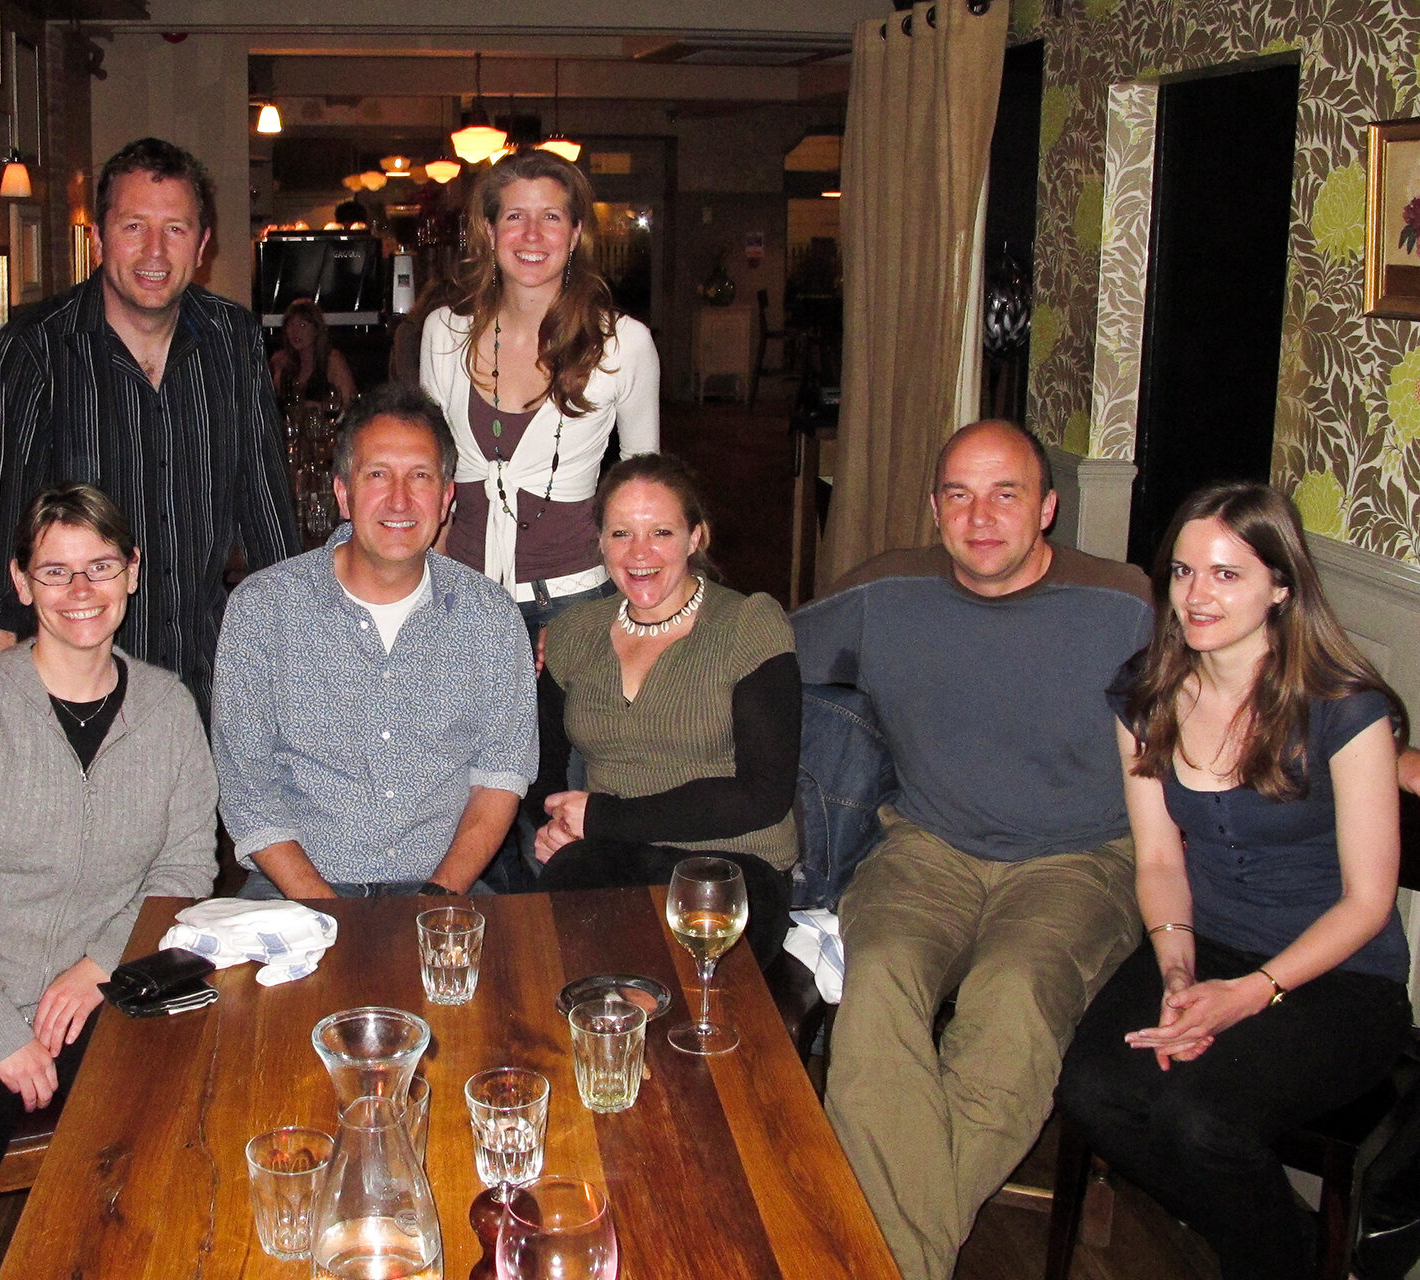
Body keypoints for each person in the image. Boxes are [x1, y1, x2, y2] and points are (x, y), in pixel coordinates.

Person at [790, 419, 1153, 1280]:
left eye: (1005, 493)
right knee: (875, 981)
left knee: (1012, 998)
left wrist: (1371, 744)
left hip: (1079, 860)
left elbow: (1239, 688)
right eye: (958, 494)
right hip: (927, 850)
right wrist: (619, 631)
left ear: (1048, 508)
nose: (979, 516)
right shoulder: (887, 594)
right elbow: (749, 645)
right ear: (934, 508)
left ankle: (872, 1258)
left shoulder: (1121, 604)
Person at [1056, 483, 1411, 1280]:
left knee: (1199, 1117)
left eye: (1225, 574)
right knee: (1090, 1091)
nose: (1195, 596)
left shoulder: (1341, 709)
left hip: (1340, 977)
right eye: (1182, 573)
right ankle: (1278, 1240)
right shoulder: (1144, 694)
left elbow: (1367, 902)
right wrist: (1178, 967)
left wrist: (1250, 992)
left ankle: (1270, 1259)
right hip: (1205, 939)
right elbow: (1156, 859)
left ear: (1279, 587)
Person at [0, 484, 217, 1267]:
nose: (80, 592)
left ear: (132, 573)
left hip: (109, 985)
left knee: (163, 1167)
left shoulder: (168, 710)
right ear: (20, 582)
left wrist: (96, 964)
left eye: (100, 567)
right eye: (55, 572)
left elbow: (186, 868)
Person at [0, 136, 298, 720]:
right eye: (134, 226)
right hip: (77, 692)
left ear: (203, 243)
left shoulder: (234, 340)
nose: (155, 252)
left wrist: (293, 680)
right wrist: (2, 719)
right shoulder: (37, 349)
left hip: (211, 685)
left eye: (176, 229)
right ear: (97, 238)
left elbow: (270, 526)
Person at [212, 383, 536, 898]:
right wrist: (328, 911)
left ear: (447, 496)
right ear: (343, 493)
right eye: (378, 475)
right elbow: (249, 790)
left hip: (445, 886)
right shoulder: (263, 610)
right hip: (294, 889)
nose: (400, 499)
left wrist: (440, 895)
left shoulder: (488, 616)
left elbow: (501, 774)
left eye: (421, 477)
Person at [531, 453, 798, 970]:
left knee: (666, 991)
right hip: (611, 855)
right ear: (601, 542)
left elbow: (764, 795)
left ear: (695, 537)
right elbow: (539, 761)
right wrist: (552, 822)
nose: (639, 554)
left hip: (734, 863)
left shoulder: (748, 623)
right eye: (621, 534)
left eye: (662, 533)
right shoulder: (572, 633)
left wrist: (603, 817)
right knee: (564, 979)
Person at [418, 147, 660, 642]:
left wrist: (603, 621)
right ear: (490, 232)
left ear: (574, 234)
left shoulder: (623, 342)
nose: (532, 235)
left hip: (574, 604)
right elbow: (430, 477)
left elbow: (647, 496)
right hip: (461, 600)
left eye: (550, 217)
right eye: (515, 216)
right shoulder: (443, 335)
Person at [269, 297, 356, 408]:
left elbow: (349, 405)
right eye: (291, 325)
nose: (295, 332)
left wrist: (315, 407)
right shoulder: (282, 362)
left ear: (316, 329)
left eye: (302, 325)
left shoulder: (332, 360)